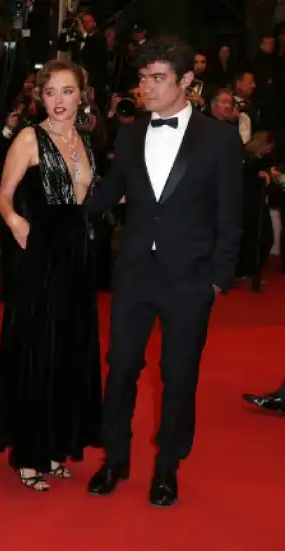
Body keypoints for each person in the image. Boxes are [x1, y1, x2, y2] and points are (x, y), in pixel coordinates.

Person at [85, 36, 243, 507]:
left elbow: (230, 215)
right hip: (135, 272)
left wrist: (218, 277)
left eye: (158, 78)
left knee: (178, 374)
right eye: (143, 77)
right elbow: (105, 195)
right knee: (120, 369)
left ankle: (168, 467)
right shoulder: (131, 134)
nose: (147, 87)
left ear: (186, 81)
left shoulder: (218, 138)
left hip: (190, 276)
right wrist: (55, 200)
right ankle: (114, 458)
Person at [0, 60, 102, 491]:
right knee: (37, 349)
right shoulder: (27, 138)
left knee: (69, 349)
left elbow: (82, 201)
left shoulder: (86, 140)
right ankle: (29, 452)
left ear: (82, 95)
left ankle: (57, 445)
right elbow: (2, 194)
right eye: (51, 92)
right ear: (40, 96)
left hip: (77, 255)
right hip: (39, 255)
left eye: (67, 91)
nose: (58, 101)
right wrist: (15, 221)